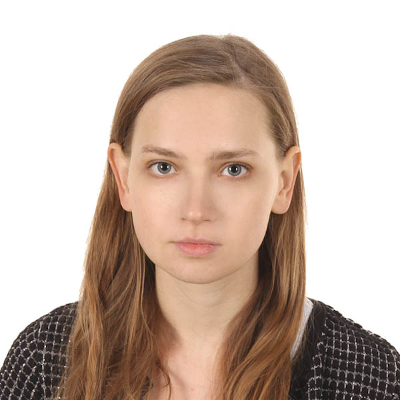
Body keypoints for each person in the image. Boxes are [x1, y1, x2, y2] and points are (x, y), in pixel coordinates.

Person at [0, 34, 399, 400]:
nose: (196, 211)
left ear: (284, 182)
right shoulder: (44, 360)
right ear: (122, 178)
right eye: (163, 167)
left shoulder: (371, 379)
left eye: (233, 170)